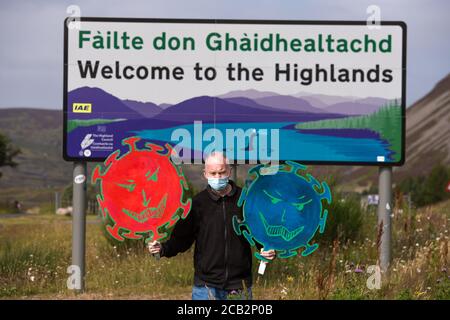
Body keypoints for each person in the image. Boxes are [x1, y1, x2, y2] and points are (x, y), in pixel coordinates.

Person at [148, 151, 276, 300]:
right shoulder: (197, 204)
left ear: (229, 171)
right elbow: (181, 239)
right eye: (213, 173)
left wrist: (267, 249)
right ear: (205, 174)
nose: (218, 177)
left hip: (239, 285)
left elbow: (260, 233)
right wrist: (163, 249)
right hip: (205, 286)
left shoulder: (246, 200)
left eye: (221, 172)